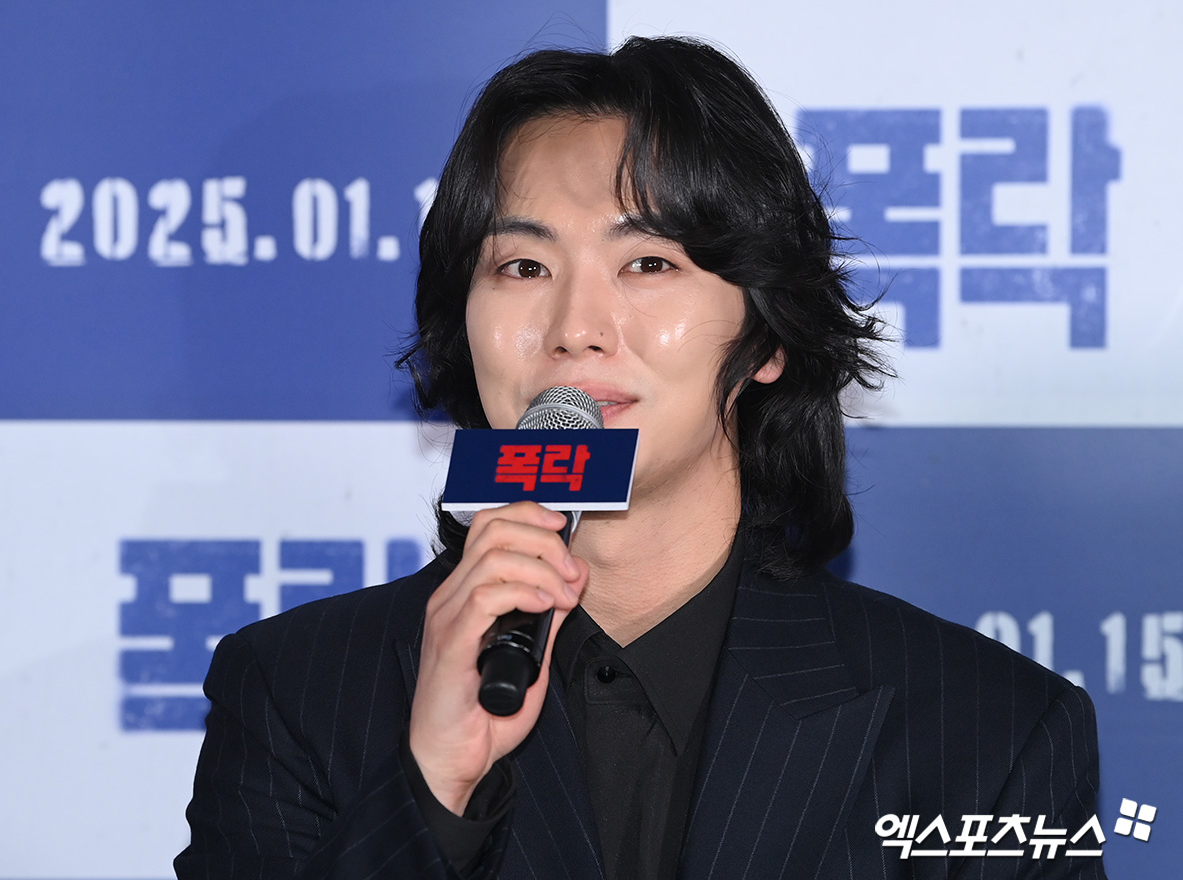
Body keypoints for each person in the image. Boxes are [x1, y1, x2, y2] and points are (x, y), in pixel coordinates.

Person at [175, 36, 1106, 879]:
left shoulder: (987, 732)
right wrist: (430, 794)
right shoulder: (296, 693)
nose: (575, 329)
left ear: (768, 333)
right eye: (523, 268)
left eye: (648, 264)